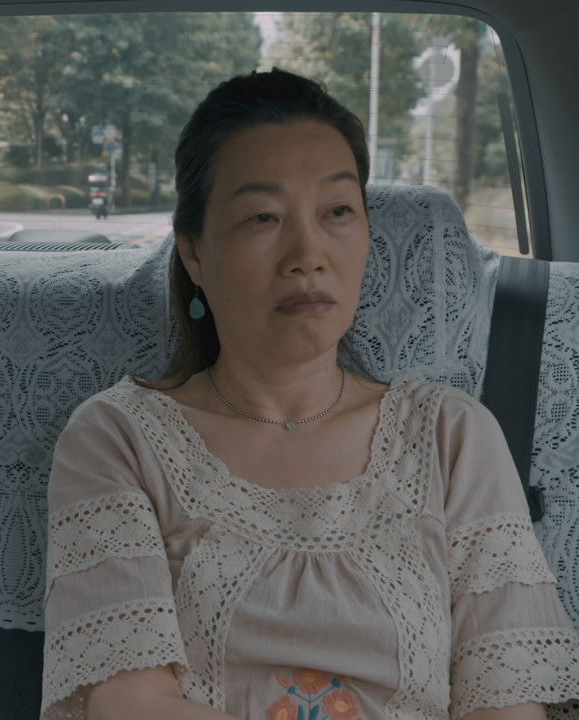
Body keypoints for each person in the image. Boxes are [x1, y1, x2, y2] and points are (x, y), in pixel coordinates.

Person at [41, 69, 579, 720]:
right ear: (194, 254)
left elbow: (506, 699)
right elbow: (129, 704)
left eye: (336, 212)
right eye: (263, 217)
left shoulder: (451, 435)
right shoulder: (119, 439)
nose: (307, 253)